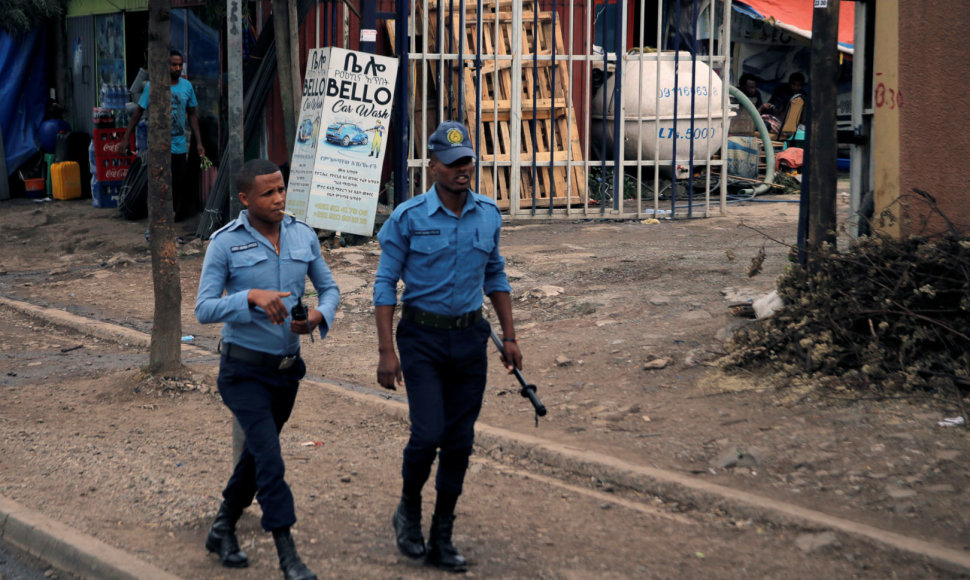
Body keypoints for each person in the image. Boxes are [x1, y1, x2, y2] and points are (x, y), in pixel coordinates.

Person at [373, 121, 523, 572]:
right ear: (433, 165)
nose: (463, 170)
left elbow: (495, 275)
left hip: (469, 340)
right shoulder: (409, 217)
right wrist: (386, 351)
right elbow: (385, 285)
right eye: (453, 163)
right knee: (428, 434)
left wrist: (510, 337)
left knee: (459, 441)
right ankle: (408, 512)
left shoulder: (488, 214)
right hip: (421, 339)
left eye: (467, 162)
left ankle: (443, 533)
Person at [195, 159, 339, 580]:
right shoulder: (223, 243)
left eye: (281, 190)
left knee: (256, 458)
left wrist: (316, 316)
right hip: (243, 371)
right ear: (244, 198)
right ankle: (287, 554)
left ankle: (222, 527)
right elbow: (204, 309)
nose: (278, 199)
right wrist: (250, 297)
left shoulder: (303, 234)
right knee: (271, 460)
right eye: (268, 193)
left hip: (286, 372)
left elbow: (329, 289)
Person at [118, 49, 205, 221]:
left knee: (178, 182)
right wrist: (126, 138)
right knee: (159, 183)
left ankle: (172, 216)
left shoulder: (187, 87)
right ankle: (158, 217)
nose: (177, 68)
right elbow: (138, 112)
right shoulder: (153, 86)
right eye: (174, 65)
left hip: (179, 145)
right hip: (158, 145)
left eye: (180, 65)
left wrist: (199, 143)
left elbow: (192, 115)